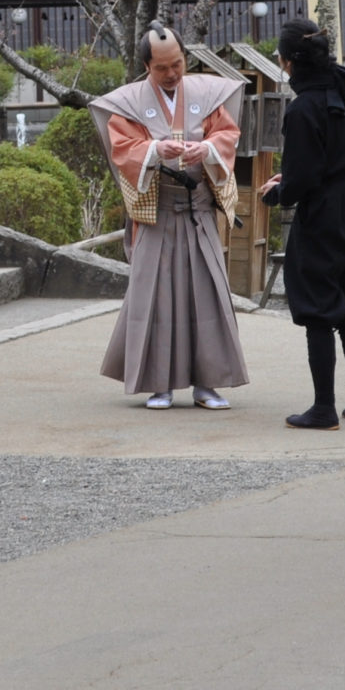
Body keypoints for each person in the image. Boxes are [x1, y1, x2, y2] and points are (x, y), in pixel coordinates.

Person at [89, 25, 249, 410]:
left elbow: (227, 134)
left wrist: (207, 149)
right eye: (163, 68)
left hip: (197, 208)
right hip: (157, 211)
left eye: (178, 64)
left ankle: (208, 384)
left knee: (207, 295)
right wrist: (153, 149)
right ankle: (158, 383)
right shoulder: (129, 103)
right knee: (154, 298)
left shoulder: (206, 94)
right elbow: (122, 148)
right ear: (147, 66)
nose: (173, 73)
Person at [259, 18, 345, 429]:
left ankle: (324, 408)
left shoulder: (303, 107)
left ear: (288, 62)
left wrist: (278, 191)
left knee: (319, 310)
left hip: (324, 209)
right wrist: (297, 178)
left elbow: (303, 177)